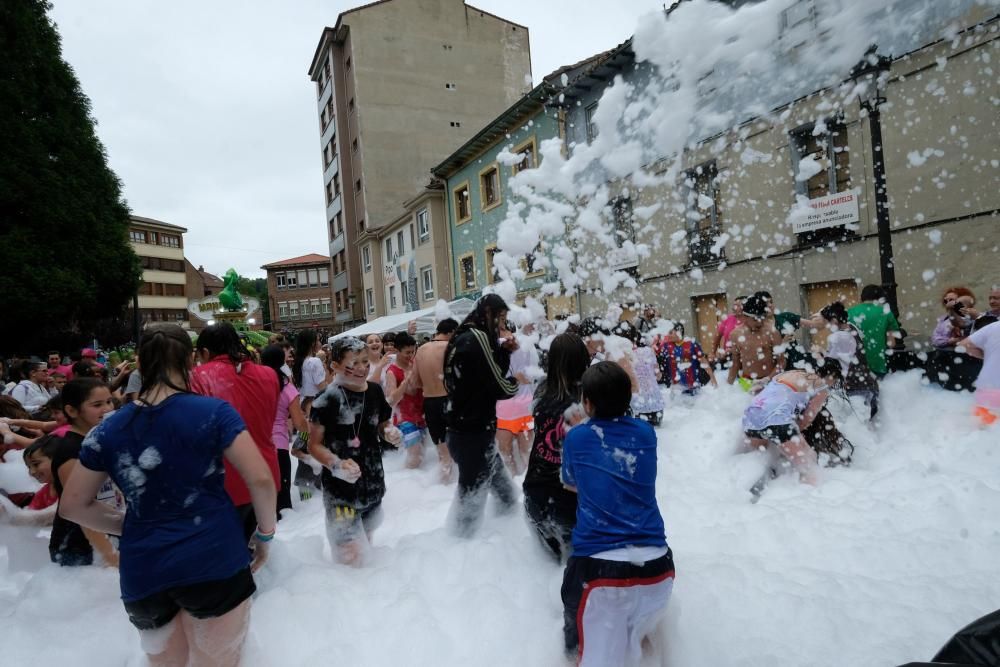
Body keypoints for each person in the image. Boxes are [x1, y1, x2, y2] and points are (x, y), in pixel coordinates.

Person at [60, 324, 276, 667]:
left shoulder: (108, 429)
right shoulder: (214, 414)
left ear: (140, 365)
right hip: (213, 559)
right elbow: (261, 479)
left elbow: (72, 505)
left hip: (144, 570)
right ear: (191, 361)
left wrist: (125, 524)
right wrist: (264, 534)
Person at [560, 361, 674, 666]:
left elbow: (571, 484)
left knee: (587, 651)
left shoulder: (576, 438)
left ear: (587, 403)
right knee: (642, 644)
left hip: (600, 574)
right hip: (658, 568)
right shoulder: (646, 433)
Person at [307, 336, 399, 565]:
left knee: (367, 546)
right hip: (340, 494)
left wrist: (389, 432)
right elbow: (313, 445)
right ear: (335, 366)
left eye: (365, 362)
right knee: (351, 558)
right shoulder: (325, 400)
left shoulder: (375, 392)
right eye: (354, 363)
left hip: (373, 483)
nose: (362, 368)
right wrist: (336, 465)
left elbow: (382, 424)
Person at [191, 323, 280, 541]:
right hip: (267, 476)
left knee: (229, 561)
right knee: (259, 552)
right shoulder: (269, 374)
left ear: (204, 352)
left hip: (226, 482)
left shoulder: (198, 377)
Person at [443, 294, 519, 537]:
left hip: (464, 429)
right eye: (501, 318)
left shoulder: (464, 335)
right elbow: (499, 385)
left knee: (506, 496)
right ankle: (460, 551)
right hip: (472, 433)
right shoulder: (476, 337)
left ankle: (503, 533)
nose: (502, 326)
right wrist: (517, 383)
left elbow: (488, 373)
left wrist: (504, 352)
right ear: (488, 313)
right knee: (471, 500)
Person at [523, 333, 589, 562]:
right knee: (574, 563)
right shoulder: (588, 398)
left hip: (535, 491)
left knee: (553, 561)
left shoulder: (541, 391)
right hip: (571, 498)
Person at [49, 377, 120, 566]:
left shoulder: (99, 440)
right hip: (76, 547)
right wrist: (111, 556)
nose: (107, 409)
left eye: (109, 401)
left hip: (105, 535)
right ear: (71, 410)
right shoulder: (71, 450)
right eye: (97, 404)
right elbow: (80, 510)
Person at [741, 360, 843, 486]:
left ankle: (749, 492)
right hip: (778, 423)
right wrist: (794, 436)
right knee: (808, 464)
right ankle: (811, 495)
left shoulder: (787, 373)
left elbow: (759, 391)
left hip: (750, 419)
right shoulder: (821, 386)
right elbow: (806, 420)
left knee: (760, 460)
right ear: (832, 377)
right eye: (835, 382)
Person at [261, 344, 309, 517]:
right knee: (282, 506)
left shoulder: (253, 385)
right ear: (282, 362)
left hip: (255, 447)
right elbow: (299, 422)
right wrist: (308, 435)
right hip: (278, 446)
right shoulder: (287, 387)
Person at [411, 318, 457, 482]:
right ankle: (453, 490)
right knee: (457, 446)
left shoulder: (421, 350)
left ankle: (443, 484)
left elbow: (415, 382)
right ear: (451, 332)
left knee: (442, 450)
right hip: (450, 401)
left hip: (430, 403)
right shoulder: (450, 348)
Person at [819, 302, 880, 420]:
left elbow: (830, 366)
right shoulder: (852, 328)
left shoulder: (837, 337)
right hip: (869, 385)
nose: (827, 326)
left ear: (834, 320)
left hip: (854, 390)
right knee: (866, 429)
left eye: (827, 322)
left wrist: (819, 354)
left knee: (855, 430)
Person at [495, 323, 540, 475]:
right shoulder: (525, 345)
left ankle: (517, 485)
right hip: (517, 407)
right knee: (522, 452)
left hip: (511, 409)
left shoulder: (500, 346)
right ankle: (522, 486)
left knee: (509, 454)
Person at [383, 332, 426, 468]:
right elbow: (391, 401)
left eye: (413, 351)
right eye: (407, 352)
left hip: (421, 415)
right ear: (397, 350)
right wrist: (405, 383)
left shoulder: (415, 364)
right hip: (404, 418)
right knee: (415, 456)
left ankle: (419, 485)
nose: (411, 355)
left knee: (423, 456)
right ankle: (407, 484)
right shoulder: (392, 371)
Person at [727, 295, 785, 388]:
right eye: (755, 319)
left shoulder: (772, 332)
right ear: (745, 316)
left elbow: (781, 362)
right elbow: (735, 364)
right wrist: (727, 388)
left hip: (769, 381)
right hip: (746, 381)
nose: (759, 323)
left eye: (762, 318)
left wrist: (767, 379)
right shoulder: (735, 334)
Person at [847, 285, 901, 377]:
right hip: (878, 363)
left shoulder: (849, 312)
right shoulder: (886, 312)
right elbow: (891, 343)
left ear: (861, 297)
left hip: (853, 364)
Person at [959, 320, 1000, 425]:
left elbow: (963, 345)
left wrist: (985, 356)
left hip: (988, 389)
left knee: (982, 433)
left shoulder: (993, 326)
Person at [658, 322, 717, 395]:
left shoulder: (691, 344)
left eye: (671, 333)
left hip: (693, 386)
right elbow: (655, 357)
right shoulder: (666, 346)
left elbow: (703, 361)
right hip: (676, 388)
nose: (668, 335)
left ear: (678, 332)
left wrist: (712, 378)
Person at [293, 329, 328, 414]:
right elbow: (322, 388)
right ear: (312, 343)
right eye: (318, 340)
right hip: (315, 403)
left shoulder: (299, 361)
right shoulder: (314, 361)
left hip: (303, 402)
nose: (320, 343)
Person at [715, 297, 745, 361]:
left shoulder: (751, 322)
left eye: (737, 305)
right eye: (734, 305)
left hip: (745, 358)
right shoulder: (727, 319)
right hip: (728, 357)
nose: (733, 308)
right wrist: (712, 353)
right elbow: (717, 336)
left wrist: (733, 350)